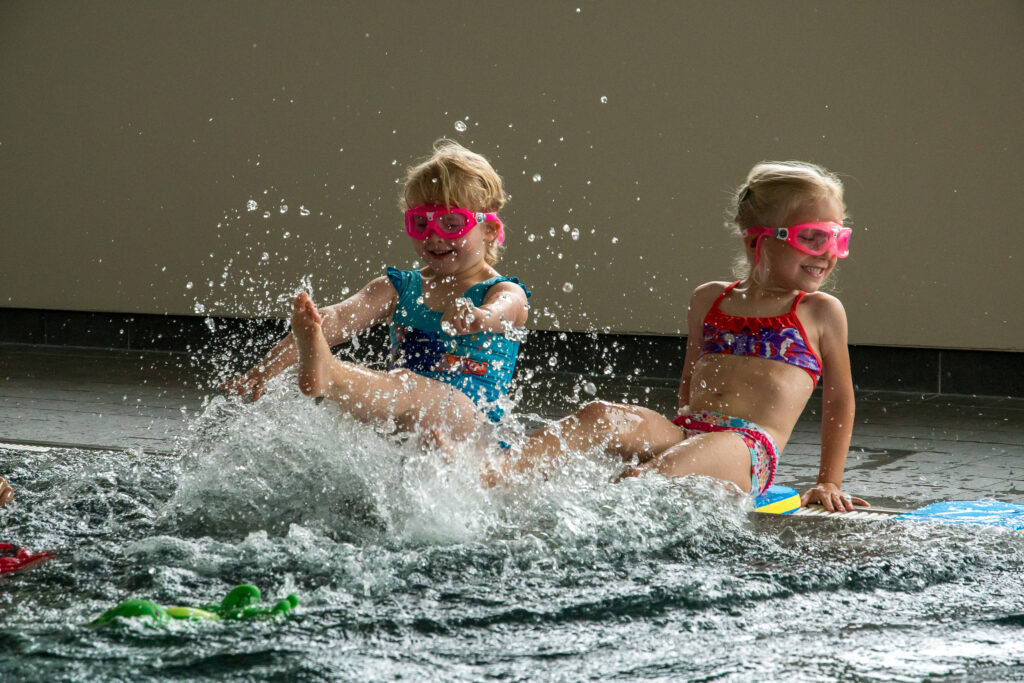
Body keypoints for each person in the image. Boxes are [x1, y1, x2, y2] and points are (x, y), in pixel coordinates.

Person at [488, 161, 867, 513]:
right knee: (602, 416)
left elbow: (840, 401)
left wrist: (828, 481)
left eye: (838, 239)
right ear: (758, 241)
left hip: (748, 449)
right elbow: (690, 378)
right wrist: (669, 438)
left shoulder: (819, 312)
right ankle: (491, 476)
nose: (829, 253)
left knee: (648, 478)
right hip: (688, 430)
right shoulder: (709, 299)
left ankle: (589, 523)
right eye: (815, 238)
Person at [223, 140, 531, 448]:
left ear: (489, 230)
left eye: (452, 224)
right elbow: (337, 318)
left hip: (476, 431)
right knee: (390, 410)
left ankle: (330, 374)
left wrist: (479, 317)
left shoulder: (503, 291)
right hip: (413, 419)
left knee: (407, 388)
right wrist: (262, 371)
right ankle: (336, 381)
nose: (434, 236)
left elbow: (504, 309)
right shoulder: (398, 288)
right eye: (420, 223)